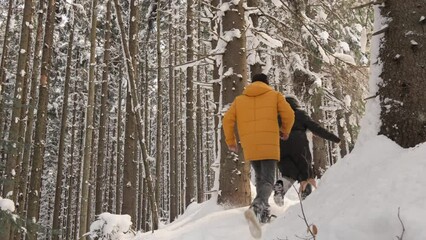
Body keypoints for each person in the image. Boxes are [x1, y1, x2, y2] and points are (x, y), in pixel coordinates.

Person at [222, 73, 295, 223]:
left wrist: (231, 141)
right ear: (266, 83)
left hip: (250, 145)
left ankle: (262, 213)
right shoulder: (274, 95)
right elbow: (289, 114)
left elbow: (227, 120)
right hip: (269, 143)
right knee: (268, 180)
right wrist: (285, 130)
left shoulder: (239, 100)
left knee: (261, 178)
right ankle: (258, 205)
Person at [274, 95, 341, 206]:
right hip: (299, 145)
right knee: (305, 172)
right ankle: (307, 200)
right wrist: (335, 139)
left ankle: (280, 188)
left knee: (288, 173)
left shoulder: (277, 116)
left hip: (280, 146)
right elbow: (317, 128)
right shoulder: (300, 114)